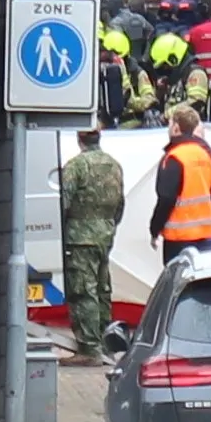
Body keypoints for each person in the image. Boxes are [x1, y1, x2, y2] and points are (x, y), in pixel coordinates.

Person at [58, 128, 124, 361]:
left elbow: (63, 203)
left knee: (83, 291)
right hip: (105, 235)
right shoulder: (114, 165)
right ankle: (106, 343)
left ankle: (89, 348)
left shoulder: (75, 166)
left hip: (80, 237)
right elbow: (120, 204)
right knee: (102, 289)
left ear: (80, 139)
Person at [148, 104, 211, 263]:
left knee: (180, 278)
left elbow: (166, 199)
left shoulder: (173, 158)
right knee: (209, 277)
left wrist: (155, 229)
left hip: (178, 239)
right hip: (209, 235)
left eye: (170, 124)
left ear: (176, 128)